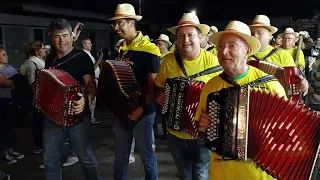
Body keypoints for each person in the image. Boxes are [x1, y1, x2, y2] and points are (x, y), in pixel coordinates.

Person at [195, 20, 286, 180]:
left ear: (247, 51)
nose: (224, 52)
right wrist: (203, 126)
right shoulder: (211, 86)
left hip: (258, 174)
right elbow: (200, 128)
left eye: (232, 46)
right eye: (221, 46)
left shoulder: (271, 86)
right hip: (221, 173)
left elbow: (285, 135)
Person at [155, 12, 221, 180]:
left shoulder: (213, 62)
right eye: (181, 36)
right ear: (176, 39)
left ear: (200, 37)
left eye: (190, 35)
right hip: (174, 131)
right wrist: (160, 97)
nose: (186, 40)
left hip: (201, 132)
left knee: (201, 173)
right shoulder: (168, 61)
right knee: (183, 173)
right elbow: (158, 88)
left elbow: (223, 95)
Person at [108, 3, 160, 180]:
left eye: (120, 23)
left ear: (132, 23)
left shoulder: (150, 50)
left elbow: (154, 89)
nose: (116, 27)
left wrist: (139, 111)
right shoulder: (120, 50)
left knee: (147, 158)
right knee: (120, 158)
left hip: (143, 113)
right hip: (122, 112)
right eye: (114, 24)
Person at [43, 18, 99, 180]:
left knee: (85, 157)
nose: (63, 41)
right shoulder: (50, 59)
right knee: (49, 158)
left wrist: (85, 100)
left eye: (66, 35)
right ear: (51, 37)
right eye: (57, 36)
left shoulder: (81, 57)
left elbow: (91, 84)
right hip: (53, 117)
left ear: (72, 36)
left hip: (77, 117)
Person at [249, 15, 309, 96]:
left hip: (277, 103)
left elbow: (295, 79)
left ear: (270, 36)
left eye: (259, 33)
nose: (255, 36)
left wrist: (303, 82)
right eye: (252, 33)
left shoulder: (283, 55)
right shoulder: (243, 56)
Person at [20, 41, 47, 154]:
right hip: (37, 96)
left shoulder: (41, 61)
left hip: (43, 94)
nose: (45, 50)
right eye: (42, 48)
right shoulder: (31, 63)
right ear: (36, 51)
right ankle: (38, 144)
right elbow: (31, 82)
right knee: (38, 120)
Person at [0, 48, 24, 165]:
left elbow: (18, 82)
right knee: (3, 127)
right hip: (2, 101)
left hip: (12, 100)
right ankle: (4, 153)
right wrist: (12, 82)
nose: (7, 56)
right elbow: (7, 83)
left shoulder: (10, 68)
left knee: (11, 126)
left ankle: (10, 149)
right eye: (3, 55)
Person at [81, 38, 102, 126]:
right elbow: (90, 69)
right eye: (89, 43)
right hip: (90, 81)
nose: (91, 45)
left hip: (94, 80)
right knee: (90, 100)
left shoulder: (89, 54)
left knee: (93, 101)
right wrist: (100, 60)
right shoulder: (84, 55)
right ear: (84, 45)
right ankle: (89, 120)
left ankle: (91, 118)